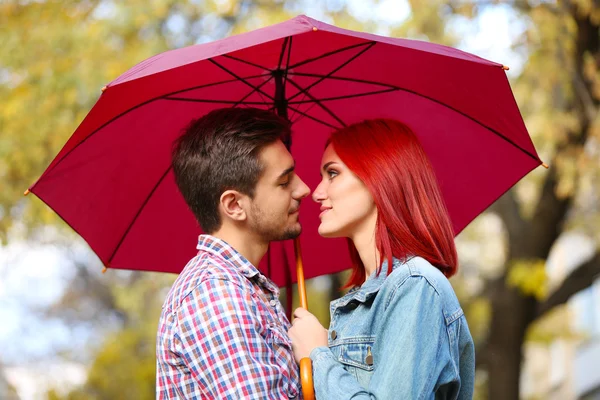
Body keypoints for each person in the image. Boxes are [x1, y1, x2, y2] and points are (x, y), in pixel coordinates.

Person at [288, 119, 475, 399]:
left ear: (379, 175)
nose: (317, 193)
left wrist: (318, 354)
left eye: (333, 174)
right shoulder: (365, 303)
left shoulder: (416, 285)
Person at [156, 107, 310, 399]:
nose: (304, 189)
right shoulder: (217, 296)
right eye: (284, 181)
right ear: (234, 205)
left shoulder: (244, 289)